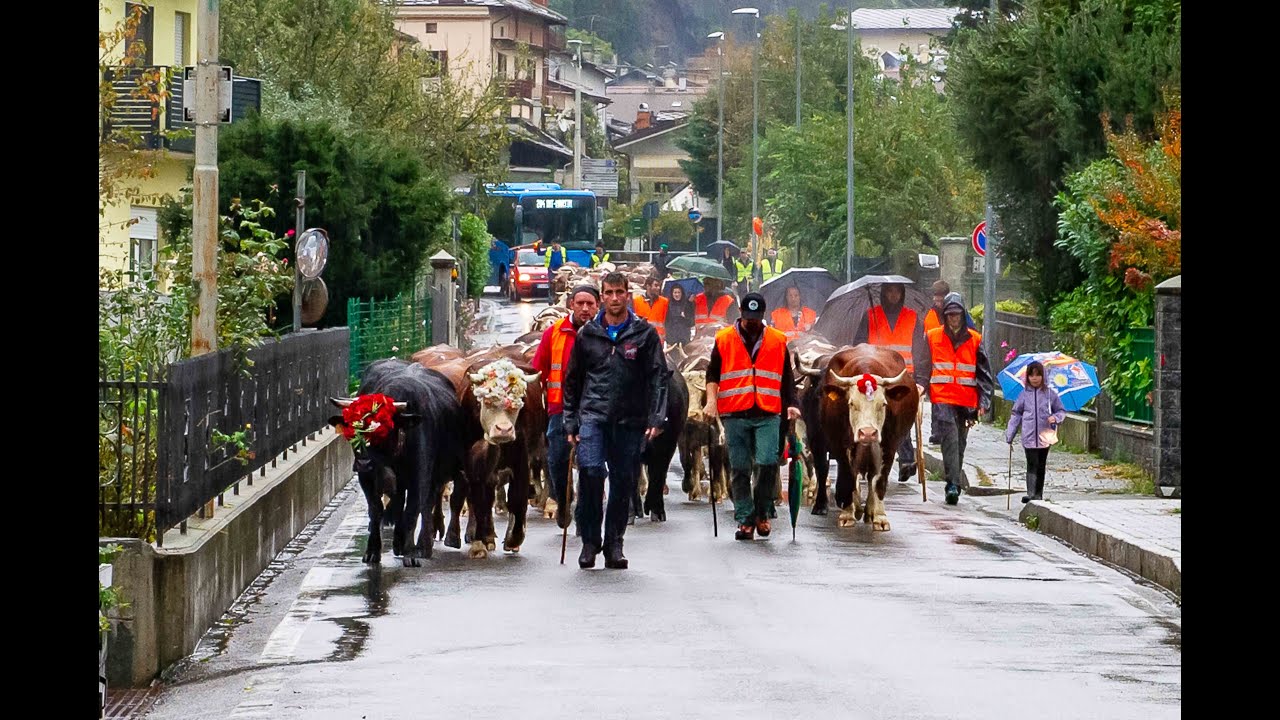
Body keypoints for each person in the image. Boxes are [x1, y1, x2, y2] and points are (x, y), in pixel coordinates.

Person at [563, 272, 667, 570]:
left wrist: (656, 416)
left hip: (629, 419)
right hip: (593, 416)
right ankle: (589, 541)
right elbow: (572, 380)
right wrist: (571, 421)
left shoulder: (644, 334)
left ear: (627, 295)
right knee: (591, 472)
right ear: (602, 297)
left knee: (623, 481)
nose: (614, 298)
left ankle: (614, 544)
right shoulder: (588, 334)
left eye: (619, 292)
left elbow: (658, 377)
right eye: (608, 293)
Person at [703, 292, 801, 540]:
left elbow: (787, 378)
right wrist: (711, 402)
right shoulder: (724, 339)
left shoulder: (778, 340)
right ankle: (745, 519)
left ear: (763, 316)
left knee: (768, 463)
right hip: (735, 412)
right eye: (748, 318)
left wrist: (792, 404)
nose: (752, 322)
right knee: (739, 467)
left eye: (756, 318)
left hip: (768, 412)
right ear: (741, 314)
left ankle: (763, 513)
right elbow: (712, 374)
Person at [532, 284, 600, 529]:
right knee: (557, 459)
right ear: (570, 304)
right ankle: (562, 498)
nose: (584, 308)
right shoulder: (554, 332)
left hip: (596, 410)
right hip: (560, 409)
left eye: (590, 304)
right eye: (580, 303)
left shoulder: (605, 333)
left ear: (597, 306)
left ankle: (584, 513)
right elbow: (539, 369)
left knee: (591, 465)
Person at [853, 282, 930, 483]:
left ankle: (905, 459)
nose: (893, 295)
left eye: (897, 291)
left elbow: (921, 353)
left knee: (901, 418)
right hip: (874, 379)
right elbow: (858, 346)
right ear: (883, 294)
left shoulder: (912, 318)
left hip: (903, 378)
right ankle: (877, 459)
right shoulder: (870, 316)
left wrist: (921, 381)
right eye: (889, 291)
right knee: (874, 418)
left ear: (902, 294)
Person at [922, 292, 994, 505]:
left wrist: (984, 401)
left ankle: (954, 480)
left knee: (960, 442)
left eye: (957, 314)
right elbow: (925, 367)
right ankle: (952, 483)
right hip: (942, 397)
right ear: (945, 315)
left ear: (963, 315)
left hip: (965, 400)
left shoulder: (974, 339)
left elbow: (984, 374)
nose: (954, 318)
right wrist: (920, 388)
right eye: (950, 314)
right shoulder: (933, 336)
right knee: (950, 438)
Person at [1005, 361, 1067, 504]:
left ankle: (1038, 494)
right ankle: (1031, 493)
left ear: (1043, 376)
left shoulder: (1050, 394)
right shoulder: (1023, 395)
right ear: (1027, 377)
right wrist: (1010, 434)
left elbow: (1061, 411)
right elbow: (1016, 414)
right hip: (1028, 435)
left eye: (1038, 375)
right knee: (1031, 463)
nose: (1035, 378)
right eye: (1031, 375)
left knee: (1041, 464)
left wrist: (1055, 418)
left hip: (1045, 435)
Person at [632, 275, 669, 343]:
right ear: (648, 286)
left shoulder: (665, 302)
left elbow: (669, 321)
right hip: (642, 341)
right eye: (656, 285)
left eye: (659, 286)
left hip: (658, 342)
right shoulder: (636, 301)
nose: (658, 288)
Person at [542, 238, 568, 304]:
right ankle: (551, 298)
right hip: (551, 270)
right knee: (552, 284)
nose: (555, 245)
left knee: (561, 284)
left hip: (561, 270)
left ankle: (560, 299)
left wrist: (566, 265)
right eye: (553, 244)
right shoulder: (548, 250)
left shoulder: (563, 250)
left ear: (559, 244)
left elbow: (567, 259)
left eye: (556, 244)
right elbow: (539, 253)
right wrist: (537, 246)